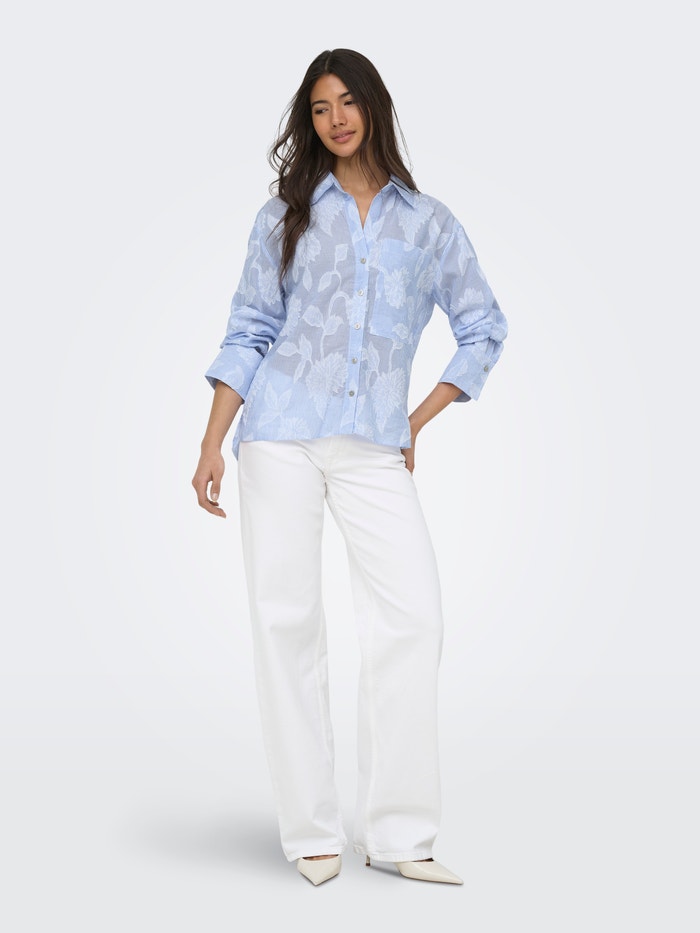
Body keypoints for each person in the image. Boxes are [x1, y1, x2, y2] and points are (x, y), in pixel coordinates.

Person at [192, 48, 507, 886]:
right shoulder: (286, 215)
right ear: (310, 119)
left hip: (373, 445)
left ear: (374, 106)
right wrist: (212, 440)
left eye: (348, 102)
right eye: (320, 107)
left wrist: (417, 418)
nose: (336, 119)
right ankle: (311, 832)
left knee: (413, 617)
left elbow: (483, 325)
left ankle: (399, 834)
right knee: (288, 621)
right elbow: (250, 328)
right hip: (279, 434)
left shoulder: (428, 223)